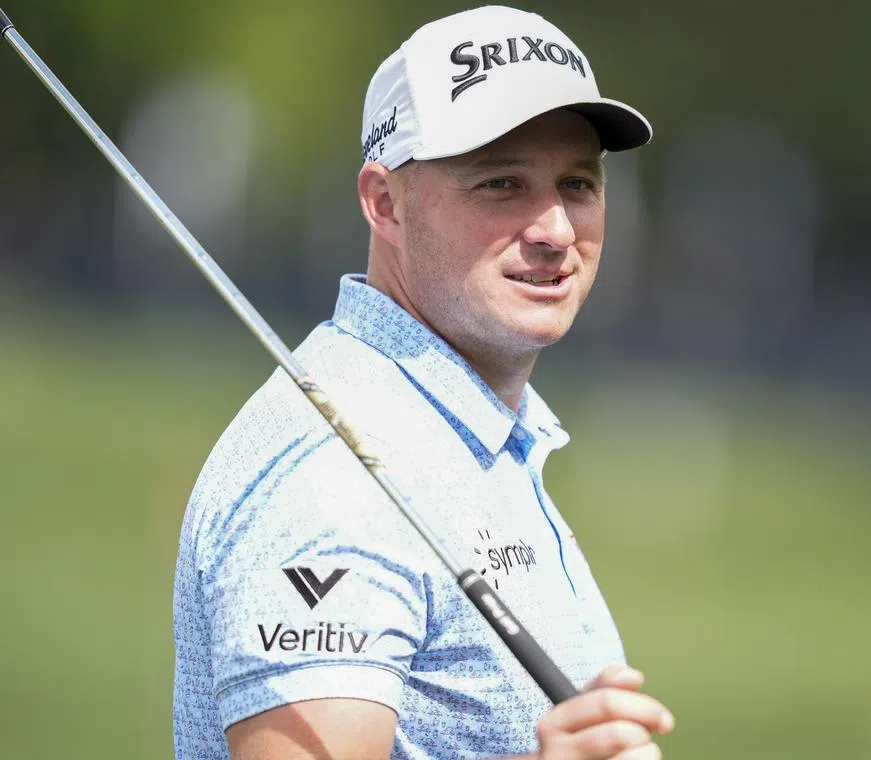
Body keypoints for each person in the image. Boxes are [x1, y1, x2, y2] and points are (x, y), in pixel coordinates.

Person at [173, 5, 673, 760]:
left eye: (577, 184)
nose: (556, 230)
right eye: (500, 183)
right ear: (385, 204)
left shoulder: (465, 424)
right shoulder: (334, 475)